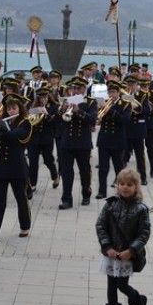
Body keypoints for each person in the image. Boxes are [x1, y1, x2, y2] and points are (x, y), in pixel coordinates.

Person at [96, 168, 150, 305]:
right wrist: (107, 247)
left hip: (127, 255)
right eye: (121, 184)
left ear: (136, 187)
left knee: (121, 284)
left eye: (129, 184)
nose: (125, 187)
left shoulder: (141, 209)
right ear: (117, 185)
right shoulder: (110, 204)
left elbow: (144, 233)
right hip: (112, 254)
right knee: (111, 286)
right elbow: (101, 226)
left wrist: (132, 250)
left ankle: (137, 299)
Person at [0, 93, 32, 242]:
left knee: (21, 198)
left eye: (14, 108)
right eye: (9, 108)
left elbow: (19, 136)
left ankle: (24, 226)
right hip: (0, 166)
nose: (12, 110)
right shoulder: (1, 122)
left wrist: (3, 131)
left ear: (19, 108)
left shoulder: (25, 123)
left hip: (17, 167)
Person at [57, 77, 97, 210]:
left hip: (82, 142)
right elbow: (59, 120)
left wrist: (78, 111)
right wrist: (63, 109)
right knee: (67, 172)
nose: (75, 90)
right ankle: (66, 199)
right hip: (67, 141)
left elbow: (92, 119)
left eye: (78, 88)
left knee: (84, 171)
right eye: (74, 88)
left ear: (84, 88)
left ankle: (86, 193)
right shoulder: (67, 100)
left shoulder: (90, 102)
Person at [95, 81, 129, 199]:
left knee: (119, 168)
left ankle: (122, 192)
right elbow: (97, 118)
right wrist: (99, 111)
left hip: (117, 141)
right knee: (103, 169)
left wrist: (110, 111)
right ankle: (102, 191)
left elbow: (124, 120)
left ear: (118, 92)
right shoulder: (104, 103)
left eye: (114, 92)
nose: (111, 95)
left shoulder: (125, 104)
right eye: (110, 92)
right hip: (104, 139)